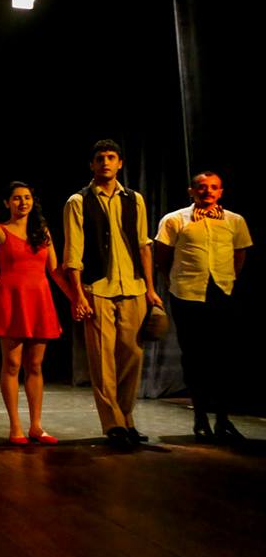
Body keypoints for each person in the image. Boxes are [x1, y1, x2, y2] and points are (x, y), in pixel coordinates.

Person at [63, 139, 162, 450]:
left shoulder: (134, 199)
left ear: (120, 163)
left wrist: (150, 289)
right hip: (98, 287)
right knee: (102, 358)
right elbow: (73, 253)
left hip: (133, 286)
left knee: (132, 354)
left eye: (111, 157)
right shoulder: (78, 201)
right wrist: (78, 295)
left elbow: (144, 245)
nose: (105, 162)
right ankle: (113, 423)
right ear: (92, 165)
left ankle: (127, 417)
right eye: (100, 158)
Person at [154, 171, 253, 443]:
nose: (207, 191)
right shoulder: (175, 220)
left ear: (220, 192)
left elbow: (239, 254)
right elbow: (162, 256)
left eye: (213, 187)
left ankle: (222, 419)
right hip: (187, 294)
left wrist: (228, 280)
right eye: (201, 187)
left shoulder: (234, 221)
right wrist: (174, 281)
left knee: (223, 357)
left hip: (222, 293)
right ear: (191, 191)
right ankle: (200, 418)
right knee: (194, 357)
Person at [0, 182, 72, 445]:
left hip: (39, 301)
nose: (22, 202)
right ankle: (15, 427)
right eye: (16, 198)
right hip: (10, 301)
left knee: (34, 365)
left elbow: (54, 270)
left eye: (27, 198)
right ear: (6, 203)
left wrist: (76, 298)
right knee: (12, 364)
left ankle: (36, 426)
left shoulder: (42, 232)